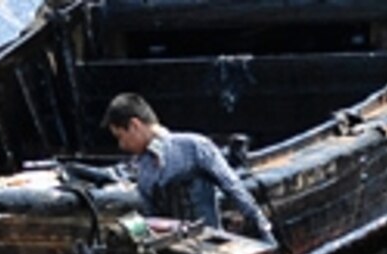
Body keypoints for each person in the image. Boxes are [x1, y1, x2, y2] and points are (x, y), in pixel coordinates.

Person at [103, 94, 273, 242]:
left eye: (120, 137)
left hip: (210, 248)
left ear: (134, 125)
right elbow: (150, 217)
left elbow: (233, 188)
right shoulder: (142, 166)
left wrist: (263, 228)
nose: (121, 145)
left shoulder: (194, 147)